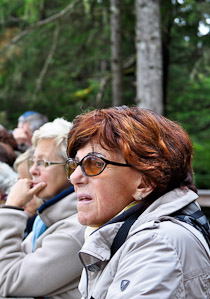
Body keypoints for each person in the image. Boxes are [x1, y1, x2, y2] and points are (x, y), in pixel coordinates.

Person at [66, 106, 210, 298]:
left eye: (94, 163)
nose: (75, 177)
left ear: (145, 181)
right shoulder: (122, 232)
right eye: (75, 164)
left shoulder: (158, 245)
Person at [0, 118, 85, 298]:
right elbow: (21, 259)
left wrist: (11, 208)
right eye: (34, 161)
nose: (33, 170)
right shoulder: (51, 217)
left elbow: (8, 281)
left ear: (71, 169)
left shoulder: (74, 230)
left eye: (43, 163)